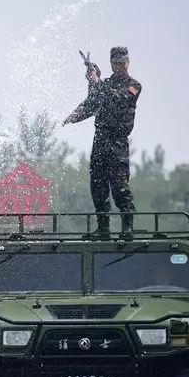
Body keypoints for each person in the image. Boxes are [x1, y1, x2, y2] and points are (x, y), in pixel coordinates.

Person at [63, 46, 141, 240]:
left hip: (117, 143)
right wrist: (92, 82)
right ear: (111, 64)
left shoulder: (134, 86)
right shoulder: (103, 84)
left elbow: (118, 100)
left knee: (119, 187)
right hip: (100, 141)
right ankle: (103, 228)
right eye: (115, 63)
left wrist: (98, 82)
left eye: (122, 63)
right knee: (97, 186)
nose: (119, 66)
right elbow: (92, 103)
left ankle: (127, 228)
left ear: (128, 63)